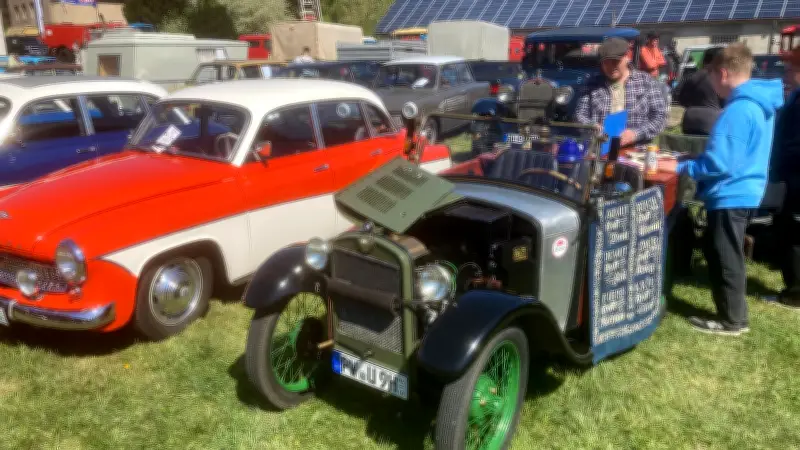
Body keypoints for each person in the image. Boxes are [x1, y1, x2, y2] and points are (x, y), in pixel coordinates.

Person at [666, 43, 784, 335]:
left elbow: (720, 164)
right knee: (724, 252)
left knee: (724, 256)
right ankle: (734, 315)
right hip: (745, 187)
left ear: (722, 73)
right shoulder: (758, 103)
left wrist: (683, 168)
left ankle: (732, 320)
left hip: (730, 192)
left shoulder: (738, 110)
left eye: (710, 76)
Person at [575, 37, 668, 150]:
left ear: (627, 57)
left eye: (615, 62)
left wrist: (635, 134)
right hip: (599, 149)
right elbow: (580, 115)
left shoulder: (646, 81)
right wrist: (592, 127)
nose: (611, 67)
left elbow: (660, 117)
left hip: (636, 150)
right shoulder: (592, 84)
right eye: (606, 63)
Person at [763, 45, 800, 309]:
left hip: (796, 180)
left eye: (790, 69)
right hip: (790, 176)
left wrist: (779, 164)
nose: (785, 75)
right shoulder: (795, 96)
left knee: (794, 236)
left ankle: (795, 293)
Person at [676, 47, 725, 135]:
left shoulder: (692, 76)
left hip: (690, 119)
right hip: (712, 121)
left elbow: (679, 97)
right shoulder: (719, 78)